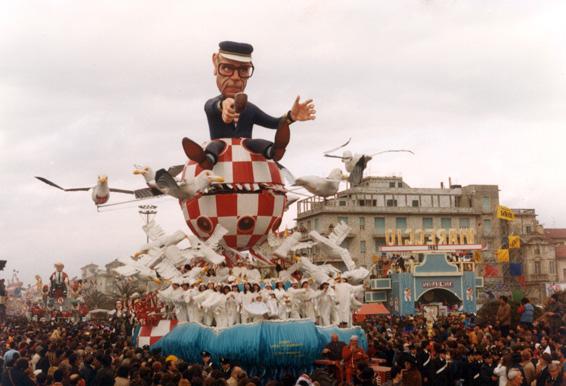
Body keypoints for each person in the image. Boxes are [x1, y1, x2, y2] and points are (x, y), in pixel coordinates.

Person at [182, 40, 316, 170]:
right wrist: (223, 106)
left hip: (247, 150)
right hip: (221, 153)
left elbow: (274, 123)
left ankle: (274, 150)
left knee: (256, 143)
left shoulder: (250, 109)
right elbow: (213, 106)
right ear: (215, 64)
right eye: (227, 68)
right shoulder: (213, 104)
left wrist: (292, 116)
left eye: (244, 70)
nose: (235, 78)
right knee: (215, 146)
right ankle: (208, 159)